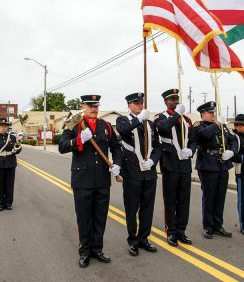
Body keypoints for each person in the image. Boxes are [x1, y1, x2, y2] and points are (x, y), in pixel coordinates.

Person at [58, 95, 122, 268]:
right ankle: (85, 250)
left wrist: (117, 165)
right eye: (90, 105)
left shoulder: (106, 126)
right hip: (82, 180)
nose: (94, 108)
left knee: (100, 217)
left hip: (102, 179)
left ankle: (97, 249)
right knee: (84, 217)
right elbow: (62, 146)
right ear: (83, 106)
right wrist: (79, 139)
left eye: (96, 105)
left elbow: (116, 148)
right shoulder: (74, 124)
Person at [116, 92, 161, 256]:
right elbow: (123, 131)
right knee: (131, 208)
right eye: (136, 103)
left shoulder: (151, 124)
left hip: (149, 173)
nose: (139, 105)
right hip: (132, 172)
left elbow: (158, 147)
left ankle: (144, 238)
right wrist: (139, 119)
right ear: (129, 105)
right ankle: (133, 240)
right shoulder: (123, 120)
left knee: (147, 208)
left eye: (141, 103)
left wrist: (153, 161)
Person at [154, 89, 196, 247]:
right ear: (165, 102)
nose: (175, 102)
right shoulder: (161, 117)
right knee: (171, 200)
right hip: (170, 164)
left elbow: (193, 140)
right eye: (172, 100)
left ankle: (181, 231)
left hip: (184, 164)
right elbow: (164, 128)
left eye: (177, 99)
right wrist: (176, 114)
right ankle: (171, 231)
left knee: (184, 201)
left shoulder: (187, 120)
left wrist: (191, 150)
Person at [193, 101, 237, 239]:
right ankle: (208, 226)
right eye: (210, 113)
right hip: (207, 165)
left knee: (220, 197)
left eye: (214, 113)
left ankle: (218, 225)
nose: (213, 115)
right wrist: (216, 124)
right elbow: (204, 136)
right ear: (203, 114)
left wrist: (231, 152)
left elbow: (233, 140)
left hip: (222, 164)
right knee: (209, 197)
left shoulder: (222, 127)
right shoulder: (199, 126)